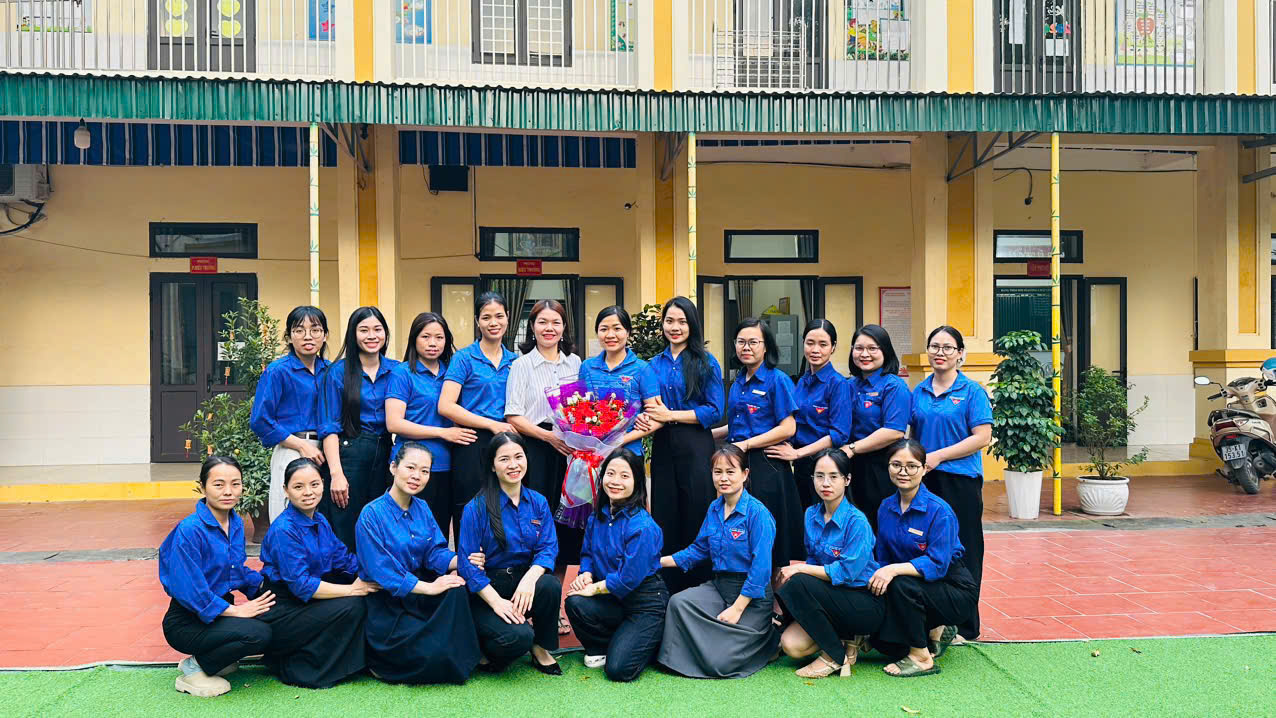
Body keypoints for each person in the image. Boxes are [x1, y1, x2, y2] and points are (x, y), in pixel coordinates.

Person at [355, 442, 482, 684]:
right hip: (388, 603)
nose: (417, 476)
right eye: (410, 467)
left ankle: (449, 646)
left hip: (419, 598)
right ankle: (385, 662)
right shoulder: (371, 514)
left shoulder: (422, 507)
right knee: (435, 656)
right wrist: (430, 587)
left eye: (425, 471)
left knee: (456, 587)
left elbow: (434, 552)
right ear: (393, 467)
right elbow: (382, 570)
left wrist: (461, 561)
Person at [657, 444, 779, 679]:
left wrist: (737, 608)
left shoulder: (758, 513)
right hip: (720, 587)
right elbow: (698, 550)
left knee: (720, 663)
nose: (723, 478)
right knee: (679, 603)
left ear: (745, 474)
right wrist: (658, 562)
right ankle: (683, 657)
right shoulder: (714, 508)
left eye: (730, 472)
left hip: (751, 597)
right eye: (717, 472)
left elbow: (761, 569)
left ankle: (768, 640)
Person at [158, 456, 274, 697]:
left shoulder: (235, 523)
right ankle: (194, 668)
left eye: (235, 484)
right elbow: (191, 591)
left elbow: (235, 570)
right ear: (202, 487)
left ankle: (213, 659)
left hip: (218, 613)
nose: (228, 491)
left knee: (277, 614)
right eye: (219, 484)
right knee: (258, 634)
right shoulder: (190, 530)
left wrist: (267, 587)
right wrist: (237, 611)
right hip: (187, 621)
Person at [257, 458, 377, 688]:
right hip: (283, 609)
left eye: (314, 484)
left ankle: (356, 662)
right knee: (353, 604)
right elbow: (301, 585)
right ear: (285, 490)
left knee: (369, 595)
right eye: (298, 486)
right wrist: (353, 589)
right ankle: (297, 667)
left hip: (307, 601)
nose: (308, 492)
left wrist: (379, 574)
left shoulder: (320, 520)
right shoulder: (284, 529)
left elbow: (345, 559)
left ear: (323, 484)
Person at [503, 298, 582, 636]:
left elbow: (584, 408)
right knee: (534, 524)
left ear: (564, 328)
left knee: (566, 528)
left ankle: (554, 606)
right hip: (536, 449)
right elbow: (513, 415)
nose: (549, 328)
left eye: (556, 322)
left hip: (571, 453)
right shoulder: (521, 365)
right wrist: (549, 437)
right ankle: (525, 603)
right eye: (542, 322)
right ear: (531, 327)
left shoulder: (575, 363)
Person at [456, 432, 564, 675]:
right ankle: (482, 644)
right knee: (517, 638)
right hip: (488, 590)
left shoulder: (538, 502)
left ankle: (540, 647)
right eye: (504, 459)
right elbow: (468, 566)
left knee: (549, 585)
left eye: (518, 456)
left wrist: (529, 578)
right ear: (492, 466)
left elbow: (548, 547)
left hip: (521, 584)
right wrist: (497, 603)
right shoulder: (476, 508)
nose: (513, 465)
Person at [911, 325, 992, 641]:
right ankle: (936, 621)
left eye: (947, 347)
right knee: (929, 546)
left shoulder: (972, 392)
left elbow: (982, 437)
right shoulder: (919, 391)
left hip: (961, 481)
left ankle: (967, 625)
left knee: (966, 549)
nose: (940, 353)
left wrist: (939, 456)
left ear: (960, 353)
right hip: (925, 480)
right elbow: (911, 435)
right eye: (934, 346)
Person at [870, 439, 978, 678]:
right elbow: (883, 557)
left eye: (911, 466)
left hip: (953, 586)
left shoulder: (939, 511)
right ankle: (936, 629)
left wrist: (893, 570)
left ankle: (921, 657)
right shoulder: (885, 507)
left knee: (900, 583)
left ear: (924, 468)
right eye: (896, 465)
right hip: (915, 586)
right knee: (885, 645)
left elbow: (938, 564)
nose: (903, 472)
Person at [774, 449, 883, 679]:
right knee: (791, 645)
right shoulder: (811, 514)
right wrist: (802, 569)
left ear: (847, 480)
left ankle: (835, 657)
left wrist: (800, 568)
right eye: (819, 476)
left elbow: (846, 572)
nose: (826, 483)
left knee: (797, 580)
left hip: (861, 601)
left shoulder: (857, 521)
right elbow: (813, 559)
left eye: (834, 476)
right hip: (829, 596)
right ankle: (847, 639)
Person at [565, 448, 668, 682]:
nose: (615, 481)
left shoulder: (643, 526)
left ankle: (647, 641)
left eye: (624, 476)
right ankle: (608, 645)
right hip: (612, 599)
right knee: (575, 602)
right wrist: (586, 573)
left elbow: (627, 579)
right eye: (610, 474)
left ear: (637, 482)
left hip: (645, 602)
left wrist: (593, 588)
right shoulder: (597, 516)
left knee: (618, 670)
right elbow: (587, 554)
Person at [643, 296, 724, 592]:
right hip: (663, 443)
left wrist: (671, 415)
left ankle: (701, 586)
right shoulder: (653, 365)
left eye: (682, 321)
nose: (675, 327)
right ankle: (669, 588)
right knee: (665, 512)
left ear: (692, 325)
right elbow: (649, 407)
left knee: (697, 511)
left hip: (696, 444)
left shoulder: (706, 362)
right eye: (669, 321)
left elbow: (714, 410)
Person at [712, 317, 803, 568]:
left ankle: (774, 589)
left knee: (771, 535)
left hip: (767, 464)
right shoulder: (738, 382)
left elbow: (788, 427)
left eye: (753, 342)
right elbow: (740, 426)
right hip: (738, 462)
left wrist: (747, 444)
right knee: (742, 530)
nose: (746, 347)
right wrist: (710, 434)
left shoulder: (777, 380)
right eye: (741, 342)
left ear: (766, 347)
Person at [386, 312, 477, 538]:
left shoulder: (453, 372)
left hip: (447, 465)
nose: (433, 343)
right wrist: (443, 433)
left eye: (439, 337)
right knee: (409, 533)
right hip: (410, 465)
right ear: (414, 339)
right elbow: (393, 423)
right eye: (425, 337)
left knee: (440, 532)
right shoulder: (402, 373)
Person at [318, 306, 399, 551]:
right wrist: (336, 474)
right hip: (349, 453)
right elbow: (329, 428)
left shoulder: (397, 370)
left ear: (385, 333)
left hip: (385, 453)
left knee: (380, 523)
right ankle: (346, 574)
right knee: (345, 523)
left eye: (377, 329)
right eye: (364, 330)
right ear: (353, 334)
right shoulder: (337, 373)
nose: (371, 336)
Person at [440, 291, 518, 538]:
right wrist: (491, 425)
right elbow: (446, 405)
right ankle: (468, 558)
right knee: (469, 507)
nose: (493, 323)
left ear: (508, 317)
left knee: (504, 506)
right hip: (471, 441)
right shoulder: (464, 358)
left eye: (499, 316)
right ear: (477, 321)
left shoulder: (515, 361)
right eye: (486, 317)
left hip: (505, 442)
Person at [250, 305, 331, 521]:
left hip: (327, 451)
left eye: (315, 330)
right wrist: (301, 445)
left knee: (321, 518)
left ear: (324, 335)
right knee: (288, 514)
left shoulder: (331, 370)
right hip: (291, 449)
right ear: (289, 336)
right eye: (299, 330)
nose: (308, 336)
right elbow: (260, 420)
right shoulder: (278, 371)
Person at [765, 319, 852, 511]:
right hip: (801, 464)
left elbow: (839, 434)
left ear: (833, 347)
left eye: (823, 344)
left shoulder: (838, 384)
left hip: (826, 465)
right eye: (810, 343)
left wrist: (797, 453)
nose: (815, 350)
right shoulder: (802, 381)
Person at [840, 324, 911, 533]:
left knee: (879, 525)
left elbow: (894, 431)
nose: (865, 354)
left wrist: (852, 448)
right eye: (859, 348)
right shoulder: (850, 385)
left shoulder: (894, 385)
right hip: (852, 464)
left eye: (872, 348)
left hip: (881, 466)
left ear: (885, 351)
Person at [576, 305, 663, 459]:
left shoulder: (642, 369)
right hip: (592, 453)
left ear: (628, 332)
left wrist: (619, 441)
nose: (610, 335)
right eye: (604, 329)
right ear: (597, 332)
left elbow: (658, 418)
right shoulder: (587, 367)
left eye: (617, 328)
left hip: (629, 454)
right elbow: (579, 410)